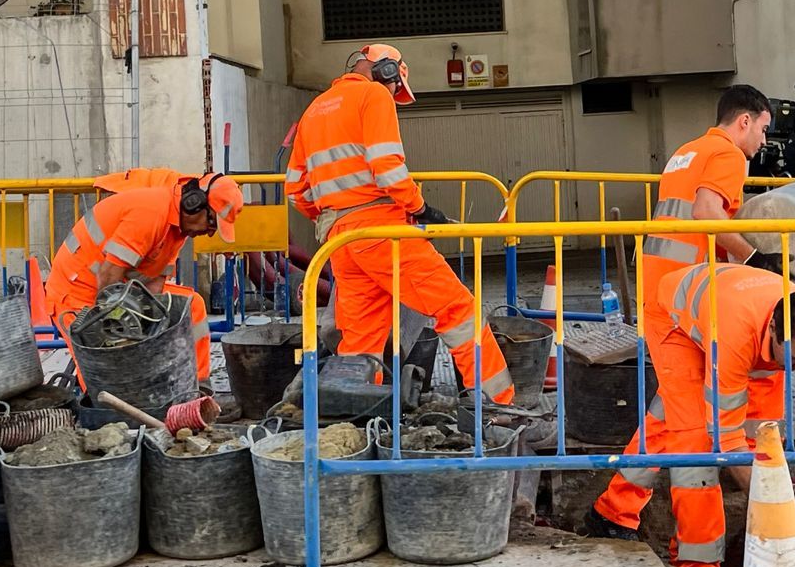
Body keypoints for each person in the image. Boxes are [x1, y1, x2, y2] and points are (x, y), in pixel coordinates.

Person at [585, 262, 795, 567]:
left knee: (759, 433)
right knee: (694, 435)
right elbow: (725, 439)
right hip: (674, 319)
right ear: (775, 331)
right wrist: (775, 518)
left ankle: (611, 511)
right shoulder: (734, 337)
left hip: (741, 319)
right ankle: (697, 562)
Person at [285, 44, 514, 404]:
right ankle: (500, 404)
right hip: (382, 233)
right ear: (387, 71)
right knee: (458, 309)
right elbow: (388, 168)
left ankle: (356, 416)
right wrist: (421, 208)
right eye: (395, 87)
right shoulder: (373, 95)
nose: (394, 95)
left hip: (341, 240)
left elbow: (296, 189)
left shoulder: (314, 110)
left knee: (361, 341)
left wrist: (335, 217)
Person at [43, 171, 243, 383]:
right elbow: (108, 277)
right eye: (211, 223)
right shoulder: (151, 213)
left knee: (192, 306)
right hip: (78, 293)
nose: (209, 232)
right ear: (194, 204)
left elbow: (154, 284)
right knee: (108, 376)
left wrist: (151, 330)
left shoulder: (177, 229)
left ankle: (197, 389)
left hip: (119, 289)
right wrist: (124, 336)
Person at [634, 84, 774, 332]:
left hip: (655, 280)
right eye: (763, 130)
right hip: (688, 288)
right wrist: (753, 257)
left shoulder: (687, 150)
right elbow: (706, 212)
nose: (763, 140)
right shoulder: (729, 154)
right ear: (744, 121)